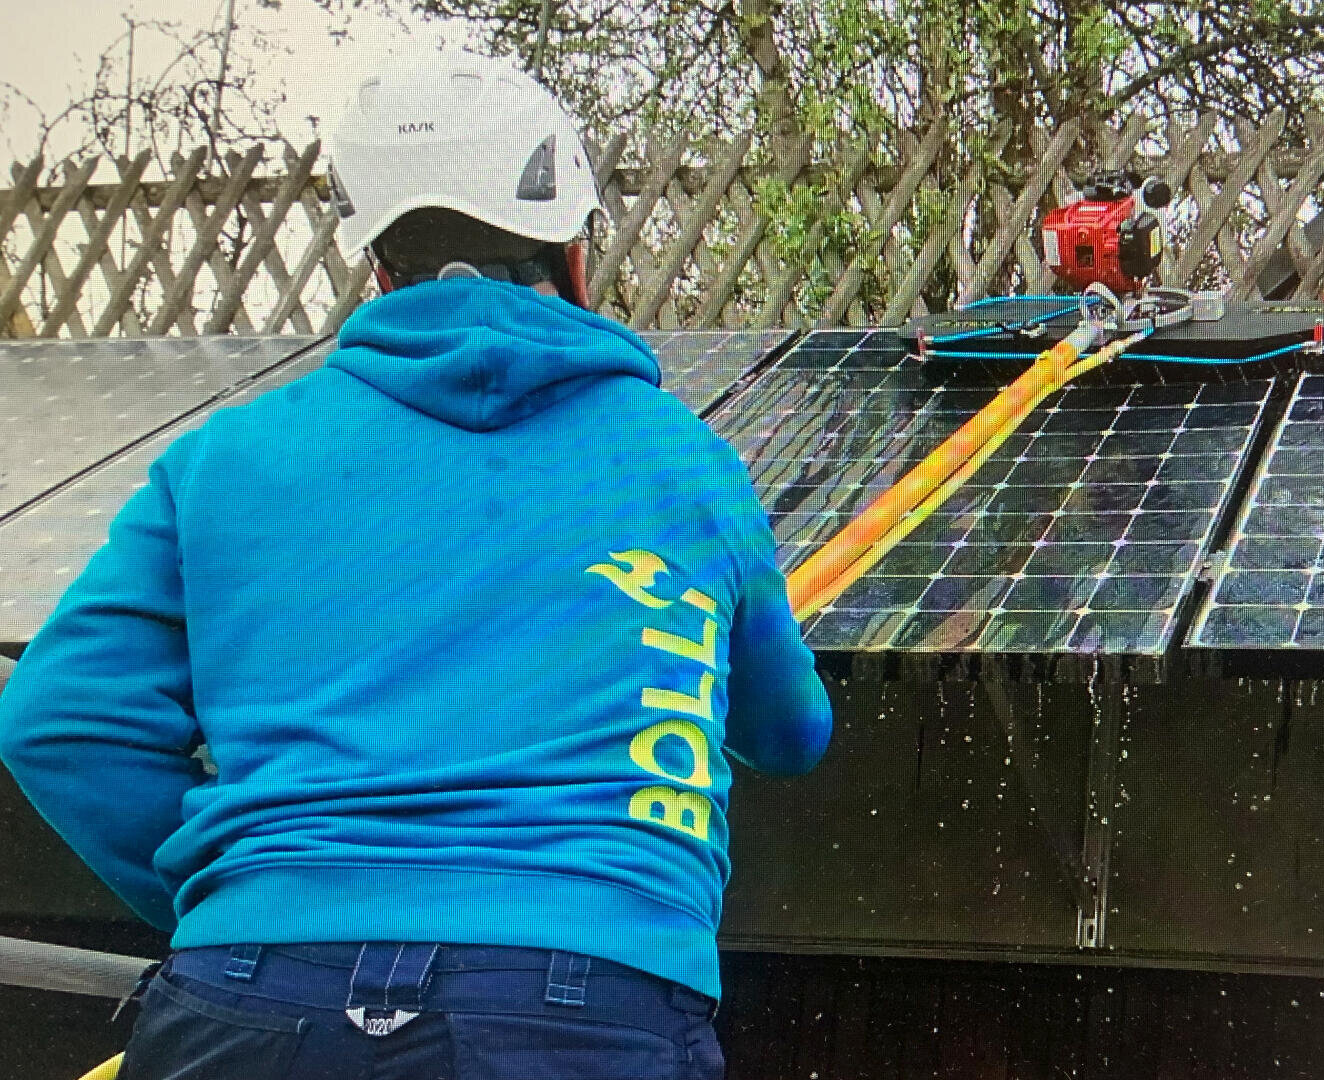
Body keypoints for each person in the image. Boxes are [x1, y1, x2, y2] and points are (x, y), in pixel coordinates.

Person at [0, 50, 831, 1080]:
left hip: (252, 1004)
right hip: (582, 1008)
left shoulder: (230, 457)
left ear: (378, 270)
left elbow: (57, 719)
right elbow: (790, 736)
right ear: (574, 256)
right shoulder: (680, 462)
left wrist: (257, 893)